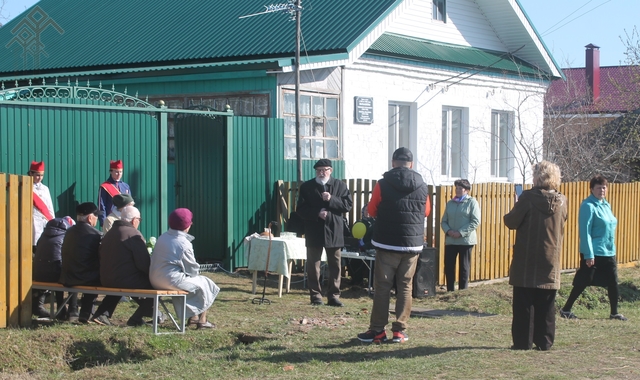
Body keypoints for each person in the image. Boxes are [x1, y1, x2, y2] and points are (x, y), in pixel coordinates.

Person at [357, 147, 430, 344]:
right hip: (412, 244)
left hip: (387, 243)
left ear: (392, 162)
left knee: (382, 287)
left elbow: (371, 210)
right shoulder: (422, 185)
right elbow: (426, 212)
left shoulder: (383, 183)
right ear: (412, 164)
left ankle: (377, 330)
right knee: (405, 286)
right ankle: (400, 330)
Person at [504, 161, 568, 350]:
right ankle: (545, 341)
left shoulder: (527, 198)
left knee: (524, 303)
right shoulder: (563, 200)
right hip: (551, 256)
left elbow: (511, 222)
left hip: (527, 257)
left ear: (538, 177)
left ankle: (523, 342)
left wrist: (516, 205)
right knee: (546, 303)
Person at [560, 175, 627, 321]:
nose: (602, 190)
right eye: (598, 188)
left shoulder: (606, 205)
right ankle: (566, 309)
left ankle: (614, 313)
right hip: (593, 252)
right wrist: (589, 255)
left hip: (608, 251)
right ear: (592, 189)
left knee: (613, 281)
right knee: (584, 280)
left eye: (604, 187)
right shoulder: (588, 206)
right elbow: (585, 231)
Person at [149, 208, 220, 329]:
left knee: (195, 284)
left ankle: (194, 318)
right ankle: (202, 320)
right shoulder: (183, 243)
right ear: (187, 225)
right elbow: (192, 270)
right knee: (206, 282)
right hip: (171, 280)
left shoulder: (163, 237)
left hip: (154, 279)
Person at [296, 158, 353, 307]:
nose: (322, 173)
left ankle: (334, 296)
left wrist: (332, 199)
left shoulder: (340, 186)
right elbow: (300, 209)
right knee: (313, 265)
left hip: (334, 230)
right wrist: (317, 213)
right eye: (319, 170)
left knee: (335, 264)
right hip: (314, 230)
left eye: (324, 170)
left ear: (331, 170)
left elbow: (347, 205)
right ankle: (315, 296)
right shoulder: (307, 187)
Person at [100, 206, 163, 326]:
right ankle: (136, 319)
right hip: (124, 280)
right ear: (134, 220)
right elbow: (143, 263)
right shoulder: (133, 234)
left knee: (120, 284)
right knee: (157, 287)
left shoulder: (110, 233)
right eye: (140, 219)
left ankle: (101, 314)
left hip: (105, 279)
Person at [58, 202, 120, 324]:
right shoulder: (96, 235)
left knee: (80, 269)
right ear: (90, 217)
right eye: (96, 216)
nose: (97, 218)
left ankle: (72, 311)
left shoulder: (68, 232)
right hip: (86, 278)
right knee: (96, 276)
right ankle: (86, 313)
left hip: (67, 276)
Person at [441, 179, 481, 291]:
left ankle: (463, 291)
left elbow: (475, 221)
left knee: (464, 267)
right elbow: (443, 221)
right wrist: (449, 231)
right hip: (451, 240)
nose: (457, 190)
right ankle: (450, 290)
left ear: (467, 190)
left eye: (460, 188)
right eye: (456, 188)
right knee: (449, 266)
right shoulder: (450, 203)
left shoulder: (472, 202)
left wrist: (460, 232)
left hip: (465, 240)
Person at [32, 216, 75, 319]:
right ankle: (71, 311)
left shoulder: (42, 236)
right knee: (72, 278)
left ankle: (39, 306)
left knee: (54, 273)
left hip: (38, 274)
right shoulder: (65, 237)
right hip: (55, 275)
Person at [29, 161, 55, 253]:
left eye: (42, 175)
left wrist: (52, 220)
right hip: (32, 221)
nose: (40, 178)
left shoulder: (45, 188)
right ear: (31, 173)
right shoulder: (27, 187)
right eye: (37, 175)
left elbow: (49, 206)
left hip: (44, 221)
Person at [98, 159, 131, 228]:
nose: (119, 174)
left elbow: (129, 204)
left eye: (121, 172)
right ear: (111, 172)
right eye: (116, 172)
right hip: (111, 219)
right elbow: (101, 205)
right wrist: (103, 221)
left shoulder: (126, 186)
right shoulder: (105, 186)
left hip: (124, 219)